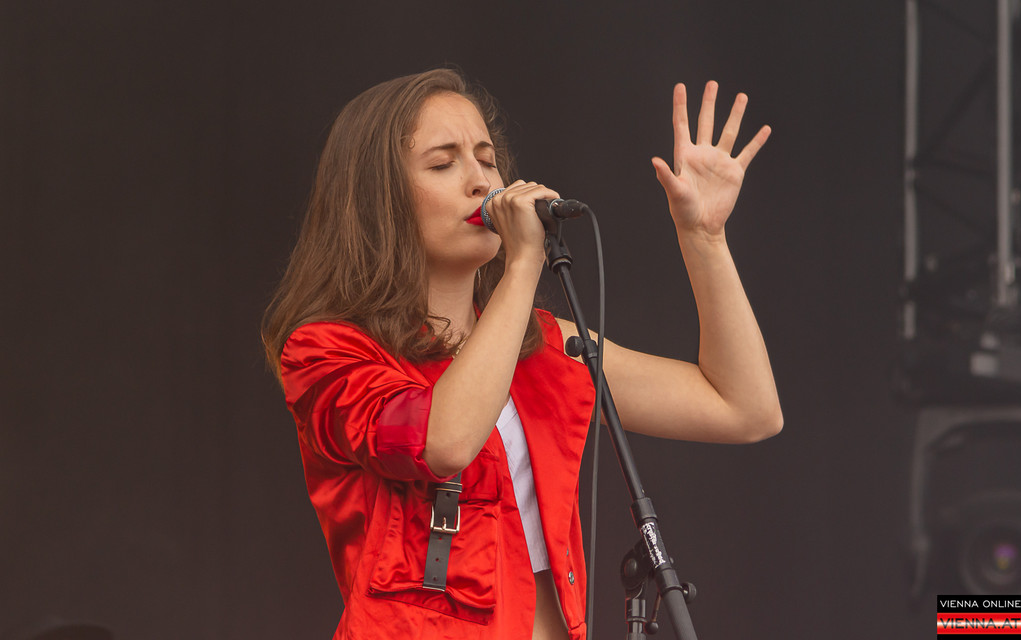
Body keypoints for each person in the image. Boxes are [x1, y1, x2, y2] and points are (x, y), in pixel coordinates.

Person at [262, 67, 782, 640]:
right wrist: (524, 262)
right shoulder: (324, 350)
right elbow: (444, 441)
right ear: (377, 200)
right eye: (443, 164)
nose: (481, 182)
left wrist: (704, 238)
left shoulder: (543, 345)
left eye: (487, 160)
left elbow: (744, 408)